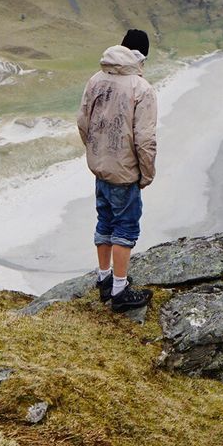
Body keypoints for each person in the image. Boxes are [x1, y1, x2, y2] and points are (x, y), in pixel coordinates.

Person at [77, 28, 157, 312]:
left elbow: (83, 122)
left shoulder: (96, 79)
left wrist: (95, 152)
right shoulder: (141, 88)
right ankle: (120, 290)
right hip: (124, 170)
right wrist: (146, 173)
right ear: (142, 56)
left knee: (105, 221)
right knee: (125, 227)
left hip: (100, 167)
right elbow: (144, 140)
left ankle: (104, 278)